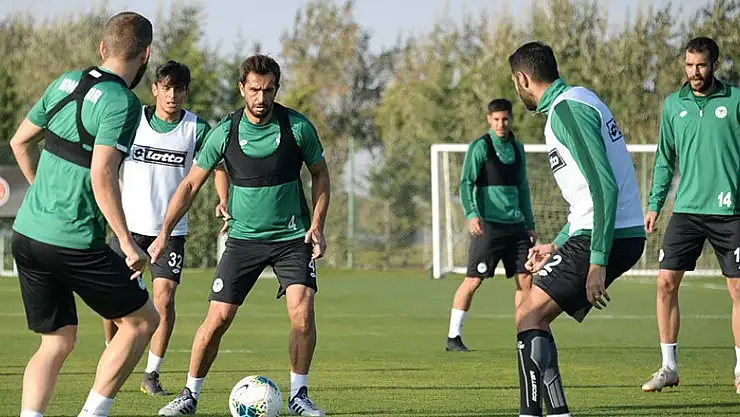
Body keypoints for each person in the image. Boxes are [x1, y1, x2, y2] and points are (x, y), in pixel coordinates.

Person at [154, 54, 330, 416]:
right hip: (243, 240)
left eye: (268, 90)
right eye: (254, 90)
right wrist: (163, 233)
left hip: (292, 239)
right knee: (217, 319)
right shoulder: (225, 132)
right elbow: (190, 185)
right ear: (241, 89)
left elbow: (321, 175)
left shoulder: (297, 128)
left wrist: (317, 224)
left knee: (302, 312)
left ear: (277, 89)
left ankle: (299, 396)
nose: (261, 98)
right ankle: (189, 395)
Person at [9, 12, 160, 417]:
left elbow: (20, 142)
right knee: (142, 321)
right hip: (73, 242)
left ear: (102, 47)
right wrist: (128, 243)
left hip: (27, 234)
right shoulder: (123, 103)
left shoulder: (65, 81)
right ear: (146, 54)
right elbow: (102, 174)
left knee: (56, 341)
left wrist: (41, 192)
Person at [508, 42, 646, 417]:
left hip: (608, 234)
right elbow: (588, 195)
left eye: (514, 83)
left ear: (522, 79)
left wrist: (597, 261)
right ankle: (556, 413)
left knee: (528, 315)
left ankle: (533, 414)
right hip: (603, 230)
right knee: (531, 312)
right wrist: (558, 244)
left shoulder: (567, 110)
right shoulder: (577, 100)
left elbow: (604, 186)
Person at [100, 60, 213, 396]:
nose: (172, 95)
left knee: (164, 300)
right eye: (166, 88)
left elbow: (217, 164)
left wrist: (223, 199)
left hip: (170, 231)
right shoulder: (133, 120)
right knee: (111, 299)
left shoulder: (196, 128)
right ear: (155, 89)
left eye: (179, 89)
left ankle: (151, 373)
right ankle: (112, 357)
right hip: (127, 228)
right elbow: (106, 161)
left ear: (186, 92)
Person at [641, 36, 740, 394]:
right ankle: (669, 367)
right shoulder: (674, 105)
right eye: (689, 65)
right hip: (687, 211)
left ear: (714, 65)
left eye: (700, 65)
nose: (694, 72)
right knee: (665, 283)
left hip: (730, 211)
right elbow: (665, 157)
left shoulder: (735, 100)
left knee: (738, 289)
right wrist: (655, 203)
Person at [446, 98, 535, 352]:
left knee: (525, 280)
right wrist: (472, 214)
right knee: (473, 281)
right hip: (488, 227)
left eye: (505, 119)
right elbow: (466, 184)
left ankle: (525, 335)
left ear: (511, 119)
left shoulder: (518, 148)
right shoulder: (480, 147)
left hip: (516, 226)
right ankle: (453, 337)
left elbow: (523, 188)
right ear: (489, 119)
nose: (501, 124)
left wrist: (529, 223)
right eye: (496, 119)